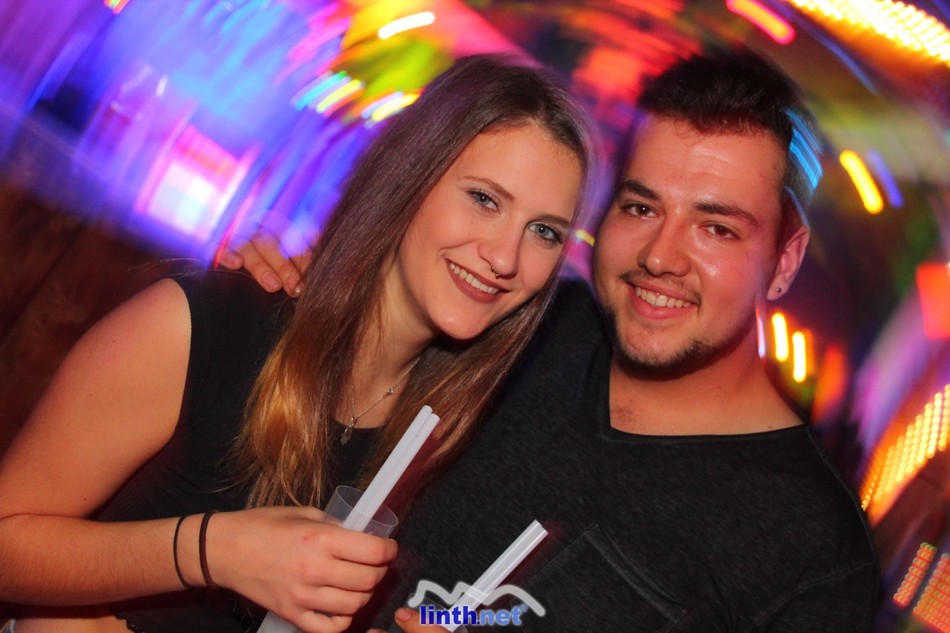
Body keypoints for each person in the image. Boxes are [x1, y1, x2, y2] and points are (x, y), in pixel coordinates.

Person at [232, 47, 881, 631]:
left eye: (717, 229)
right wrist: (295, 288)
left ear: (784, 261)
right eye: (641, 207)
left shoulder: (812, 549)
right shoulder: (517, 325)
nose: (660, 256)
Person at [0, 54, 595, 633]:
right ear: (408, 178)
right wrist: (214, 550)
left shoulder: (444, 432)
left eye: (544, 231)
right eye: (484, 199)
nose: (505, 257)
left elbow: (469, 606)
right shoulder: (205, 325)